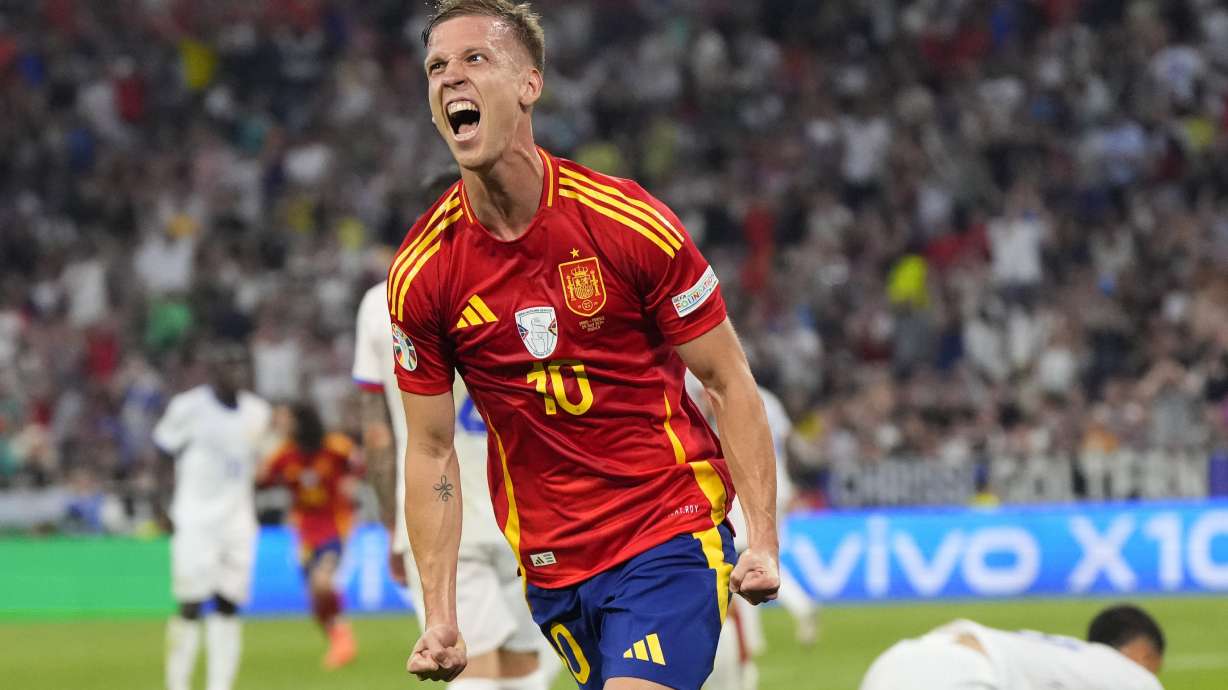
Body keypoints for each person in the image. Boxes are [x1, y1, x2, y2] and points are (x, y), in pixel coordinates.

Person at [389, 2, 781, 688]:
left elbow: (726, 379)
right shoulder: (423, 272)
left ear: (529, 85)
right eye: (436, 67)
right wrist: (441, 614)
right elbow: (429, 449)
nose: (451, 77)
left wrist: (763, 539)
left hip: (668, 530)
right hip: (554, 566)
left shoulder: (626, 223)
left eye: (475, 59)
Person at [355, 267, 552, 690]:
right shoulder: (521, 277)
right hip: (524, 509)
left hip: (440, 509)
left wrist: (393, 521)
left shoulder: (381, 302)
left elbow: (377, 435)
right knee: (523, 666)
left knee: (464, 660)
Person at [154, 342, 273, 690]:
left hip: (238, 520)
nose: (236, 372)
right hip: (195, 518)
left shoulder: (257, 412)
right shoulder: (189, 407)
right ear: (213, 371)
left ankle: (220, 685)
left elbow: (262, 462)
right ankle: (178, 684)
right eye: (228, 365)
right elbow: (162, 452)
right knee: (190, 603)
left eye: (241, 365)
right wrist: (161, 503)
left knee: (229, 603)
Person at [259, 403, 361, 670]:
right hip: (304, 531)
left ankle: (343, 635)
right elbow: (261, 479)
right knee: (315, 596)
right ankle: (338, 637)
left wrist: (353, 486)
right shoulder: (284, 455)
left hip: (334, 525)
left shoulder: (335, 446)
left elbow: (359, 463)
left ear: (300, 420)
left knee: (322, 581)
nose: (281, 424)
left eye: (285, 419)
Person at [859, 604, 1166, 690]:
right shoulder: (1135, 678)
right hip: (962, 673)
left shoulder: (1064, 658)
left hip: (897, 660)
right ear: (1143, 655)